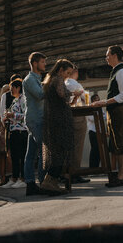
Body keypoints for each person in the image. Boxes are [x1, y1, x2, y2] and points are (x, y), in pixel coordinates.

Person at [91, 45, 123, 188]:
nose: (106, 57)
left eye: (107, 54)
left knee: (120, 142)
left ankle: (121, 176)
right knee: (116, 143)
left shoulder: (121, 72)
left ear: (115, 55)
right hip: (115, 110)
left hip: (120, 110)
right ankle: (119, 175)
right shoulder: (116, 71)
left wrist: (103, 102)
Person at [41, 58, 79, 193]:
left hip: (55, 119)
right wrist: (73, 93)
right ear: (61, 70)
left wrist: (72, 98)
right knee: (59, 151)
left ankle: (51, 181)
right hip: (58, 121)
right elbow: (62, 94)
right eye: (67, 73)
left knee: (57, 152)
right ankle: (49, 181)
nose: (68, 76)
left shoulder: (50, 79)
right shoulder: (57, 79)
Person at [23, 52, 47, 195]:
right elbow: (40, 95)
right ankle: (43, 183)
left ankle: (30, 184)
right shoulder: (30, 79)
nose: (44, 65)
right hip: (35, 119)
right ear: (35, 63)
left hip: (35, 118)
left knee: (31, 154)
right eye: (42, 62)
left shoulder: (37, 79)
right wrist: (51, 86)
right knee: (44, 151)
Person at [64, 68, 90, 184]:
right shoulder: (75, 84)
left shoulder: (64, 83)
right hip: (78, 115)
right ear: (76, 73)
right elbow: (85, 98)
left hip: (67, 116)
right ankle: (75, 173)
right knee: (78, 146)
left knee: (69, 147)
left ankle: (67, 173)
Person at [2, 79, 27, 189]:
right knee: (14, 156)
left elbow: (25, 115)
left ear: (18, 88)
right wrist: (7, 118)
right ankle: (14, 178)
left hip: (21, 131)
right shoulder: (14, 100)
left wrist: (13, 115)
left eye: (12, 88)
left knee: (22, 156)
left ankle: (23, 178)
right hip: (13, 130)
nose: (10, 90)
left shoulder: (23, 99)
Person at [86, 94, 105, 169]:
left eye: (98, 99)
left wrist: (98, 116)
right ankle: (92, 168)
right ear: (92, 101)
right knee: (94, 149)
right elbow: (92, 118)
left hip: (100, 131)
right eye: (96, 99)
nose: (98, 101)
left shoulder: (100, 109)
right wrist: (99, 116)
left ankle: (98, 167)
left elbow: (104, 117)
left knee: (100, 150)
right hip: (93, 131)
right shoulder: (90, 108)